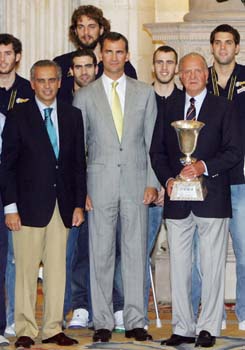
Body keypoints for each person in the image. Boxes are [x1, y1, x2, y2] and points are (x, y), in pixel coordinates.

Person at [150, 52, 241, 347]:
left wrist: (202, 167)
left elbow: (234, 152)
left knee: (211, 265)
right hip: (178, 200)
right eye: (186, 71)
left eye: (197, 71)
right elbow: (157, 152)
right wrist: (169, 180)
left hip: (212, 197)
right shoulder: (169, 108)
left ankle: (208, 328)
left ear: (206, 74)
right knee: (179, 266)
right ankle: (182, 327)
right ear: (179, 75)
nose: (191, 76)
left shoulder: (224, 108)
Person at [73, 31, 158, 343]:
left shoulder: (144, 92)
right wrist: (81, 191)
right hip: (99, 184)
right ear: (100, 56)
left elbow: (153, 143)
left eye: (119, 52)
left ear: (127, 55)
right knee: (100, 253)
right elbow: (77, 149)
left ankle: (136, 319)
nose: (114, 57)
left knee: (136, 253)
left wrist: (152, 182)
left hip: (137, 183)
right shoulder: (84, 96)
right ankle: (103, 321)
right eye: (108, 52)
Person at [0, 60, 86, 348]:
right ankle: (25, 328)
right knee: (24, 271)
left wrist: (77, 204)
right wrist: (10, 207)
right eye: (41, 81)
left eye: (52, 80)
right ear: (33, 83)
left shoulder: (73, 116)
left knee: (57, 270)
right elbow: (7, 166)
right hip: (26, 209)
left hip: (61, 208)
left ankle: (52, 328)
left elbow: (77, 165)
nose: (47, 86)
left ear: (60, 82)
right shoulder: (18, 115)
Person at [191, 24, 245, 331]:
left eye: (229, 43)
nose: (223, 48)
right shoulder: (199, 78)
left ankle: (244, 309)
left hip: (240, 177)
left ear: (237, 47)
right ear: (212, 47)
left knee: (244, 249)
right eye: (218, 43)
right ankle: (211, 314)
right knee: (204, 254)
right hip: (206, 177)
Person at [144, 45, 182, 326]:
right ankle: (137, 311)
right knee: (143, 252)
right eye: (160, 62)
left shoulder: (185, 100)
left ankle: (185, 314)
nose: (165, 67)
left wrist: (170, 183)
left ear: (176, 67)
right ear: (153, 66)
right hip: (149, 190)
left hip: (180, 189)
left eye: (170, 62)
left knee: (183, 255)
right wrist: (154, 184)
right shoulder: (143, 97)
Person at [0, 33, 33, 340]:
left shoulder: (28, 90)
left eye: (8, 53)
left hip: (17, 185)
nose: (2, 59)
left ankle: (14, 318)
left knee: (16, 258)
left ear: (17, 57)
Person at [63, 49, 97, 328]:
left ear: (96, 68)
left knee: (100, 250)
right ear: (71, 70)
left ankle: (103, 307)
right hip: (70, 190)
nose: (84, 71)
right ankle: (78, 306)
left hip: (102, 187)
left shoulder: (106, 97)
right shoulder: (61, 101)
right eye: (78, 67)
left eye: (89, 66)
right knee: (73, 252)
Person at [54, 5, 137, 102]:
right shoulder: (61, 64)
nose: (86, 32)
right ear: (75, 31)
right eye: (81, 27)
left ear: (101, 30)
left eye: (91, 27)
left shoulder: (119, 65)